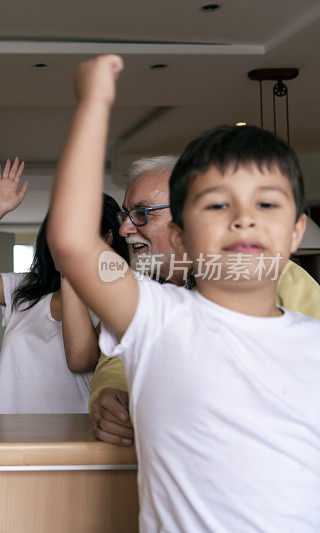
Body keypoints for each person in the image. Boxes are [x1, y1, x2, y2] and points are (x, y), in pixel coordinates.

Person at [49, 55, 320, 531]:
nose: (243, 217)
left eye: (267, 203)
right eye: (217, 204)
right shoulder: (160, 314)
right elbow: (73, 240)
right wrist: (95, 102)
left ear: (297, 233)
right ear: (181, 235)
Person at [89, 156, 320, 446]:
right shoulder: (139, 286)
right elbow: (115, 359)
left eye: (142, 213)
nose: (125, 229)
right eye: (126, 215)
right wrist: (108, 391)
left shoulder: (273, 275)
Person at [0, 158, 128, 413]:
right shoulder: (26, 289)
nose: (62, 239)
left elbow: (82, 360)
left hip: (72, 443)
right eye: (57, 230)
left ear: (108, 237)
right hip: (5, 438)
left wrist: (72, 268)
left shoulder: (119, 300)